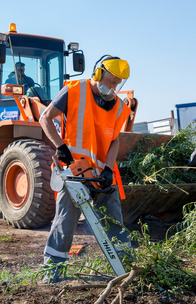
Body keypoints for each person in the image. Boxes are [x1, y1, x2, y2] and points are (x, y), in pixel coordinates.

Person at [39, 56, 134, 282]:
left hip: (101, 174)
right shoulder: (74, 91)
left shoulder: (120, 106)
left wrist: (108, 169)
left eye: (117, 83)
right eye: (110, 81)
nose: (112, 87)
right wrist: (60, 146)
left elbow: (115, 141)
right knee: (65, 220)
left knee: (113, 221)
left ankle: (128, 268)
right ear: (99, 74)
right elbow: (45, 118)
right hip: (74, 171)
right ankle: (52, 272)